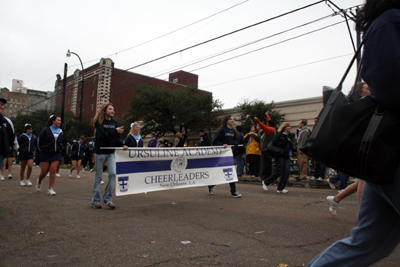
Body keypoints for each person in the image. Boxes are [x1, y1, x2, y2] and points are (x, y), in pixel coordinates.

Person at [307, 2, 400, 266]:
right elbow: (389, 80)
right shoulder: (391, 21)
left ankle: (335, 196)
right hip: (389, 152)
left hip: (383, 155)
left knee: (370, 242)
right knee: (369, 242)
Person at [326, 82, 371, 216]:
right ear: (361, 91)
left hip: (367, 146)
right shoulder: (363, 104)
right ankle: (364, 217)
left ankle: (336, 199)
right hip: (363, 148)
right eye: (368, 88)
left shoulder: (366, 103)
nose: (371, 89)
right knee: (364, 179)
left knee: (364, 181)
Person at [91, 103, 128, 210]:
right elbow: (103, 136)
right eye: (110, 109)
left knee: (112, 173)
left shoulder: (114, 122)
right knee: (98, 176)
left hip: (111, 152)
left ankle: (108, 199)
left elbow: (116, 137)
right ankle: (95, 201)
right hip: (100, 152)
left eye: (113, 109)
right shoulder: (99, 122)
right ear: (105, 110)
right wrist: (114, 131)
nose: (113, 111)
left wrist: (122, 145)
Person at [209, 114, 242, 198]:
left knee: (229, 171)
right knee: (225, 171)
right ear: (227, 121)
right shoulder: (222, 130)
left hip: (229, 154)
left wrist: (236, 144)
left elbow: (232, 141)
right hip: (222, 154)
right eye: (231, 119)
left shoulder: (233, 131)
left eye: (233, 119)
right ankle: (232, 191)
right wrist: (222, 144)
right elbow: (214, 140)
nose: (232, 120)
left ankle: (232, 191)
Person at [261, 122, 294, 194]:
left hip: (287, 156)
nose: (289, 127)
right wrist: (283, 143)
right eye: (288, 126)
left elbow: (290, 146)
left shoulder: (289, 136)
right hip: (280, 155)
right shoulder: (279, 135)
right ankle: (266, 182)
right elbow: (275, 143)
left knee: (286, 172)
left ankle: (281, 188)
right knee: (279, 171)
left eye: (290, 126)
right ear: (284, 127)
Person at [36, 115, 63, 196]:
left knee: (53, 169)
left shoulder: (61, 131)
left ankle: (50, 188)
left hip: (56, 153)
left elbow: (61, 142)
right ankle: (39, 181)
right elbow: (39, 142)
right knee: (44, 172)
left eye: (60, 120)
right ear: (53, 121)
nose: (60, 122)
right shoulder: (45, 130)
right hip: (45, 153)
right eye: (58, 120)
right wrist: (41, 151)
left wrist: (60, 149)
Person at [0, 97, 18, 181]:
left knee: (3, 164)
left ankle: (2, 175)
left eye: (2, 105)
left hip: (1, 151)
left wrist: (15, 147)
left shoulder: (6, 122)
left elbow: (12, 135)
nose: (1, 106)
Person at [255, 112, 276, 179]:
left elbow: (263, 126)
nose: (267, 124)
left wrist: (258, 120)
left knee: (266, 163)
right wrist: (267, 115)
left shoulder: (270, 130)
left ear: (269, 124)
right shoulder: (271, 129)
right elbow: (268, 121)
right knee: (266, 162)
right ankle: (266, 174)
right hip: (265, 148)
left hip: (266, 149)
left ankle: (266, 175)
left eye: (268, 123)